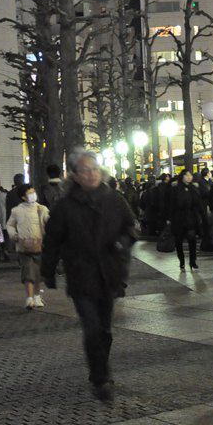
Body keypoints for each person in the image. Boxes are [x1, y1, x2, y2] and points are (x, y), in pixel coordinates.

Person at [42, 149, 137, 402]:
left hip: (109, 273)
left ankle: (100, 366)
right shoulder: (64, 206)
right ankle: (100, 377)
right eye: (85, 170)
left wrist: (121, 243)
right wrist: (48, 272)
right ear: (74, 175)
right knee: (92, 328)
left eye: (94, 168)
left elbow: (131, 227)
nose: (91, 174)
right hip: (81, 275)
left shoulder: (114, 198)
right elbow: (52, 241)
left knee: (105, 329)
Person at [5, 185, 50, 309]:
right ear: (23, 197)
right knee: (28, 272)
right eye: (30, 193)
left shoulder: (42, 209)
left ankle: (36, 296)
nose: (33, 195)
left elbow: (48, 222)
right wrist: (14, 236)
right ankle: (29, 298)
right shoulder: (17, 210)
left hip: (40, 245)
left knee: (39, 273)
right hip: (23, 247)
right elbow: (10, 225)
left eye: (34, 192)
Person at [168, 169, 206, 271]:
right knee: (179, 242)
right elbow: (171, 204)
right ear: (182, 177)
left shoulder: (193, 188)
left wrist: (202, 216)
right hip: (178, 219)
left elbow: (199, 203)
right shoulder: (175, 188)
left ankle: (193, 261)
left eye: (190, 175)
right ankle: (182, 261)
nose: (189, 177)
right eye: (187, 175)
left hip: (191, 218)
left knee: (192, 240)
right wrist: (169, 219)